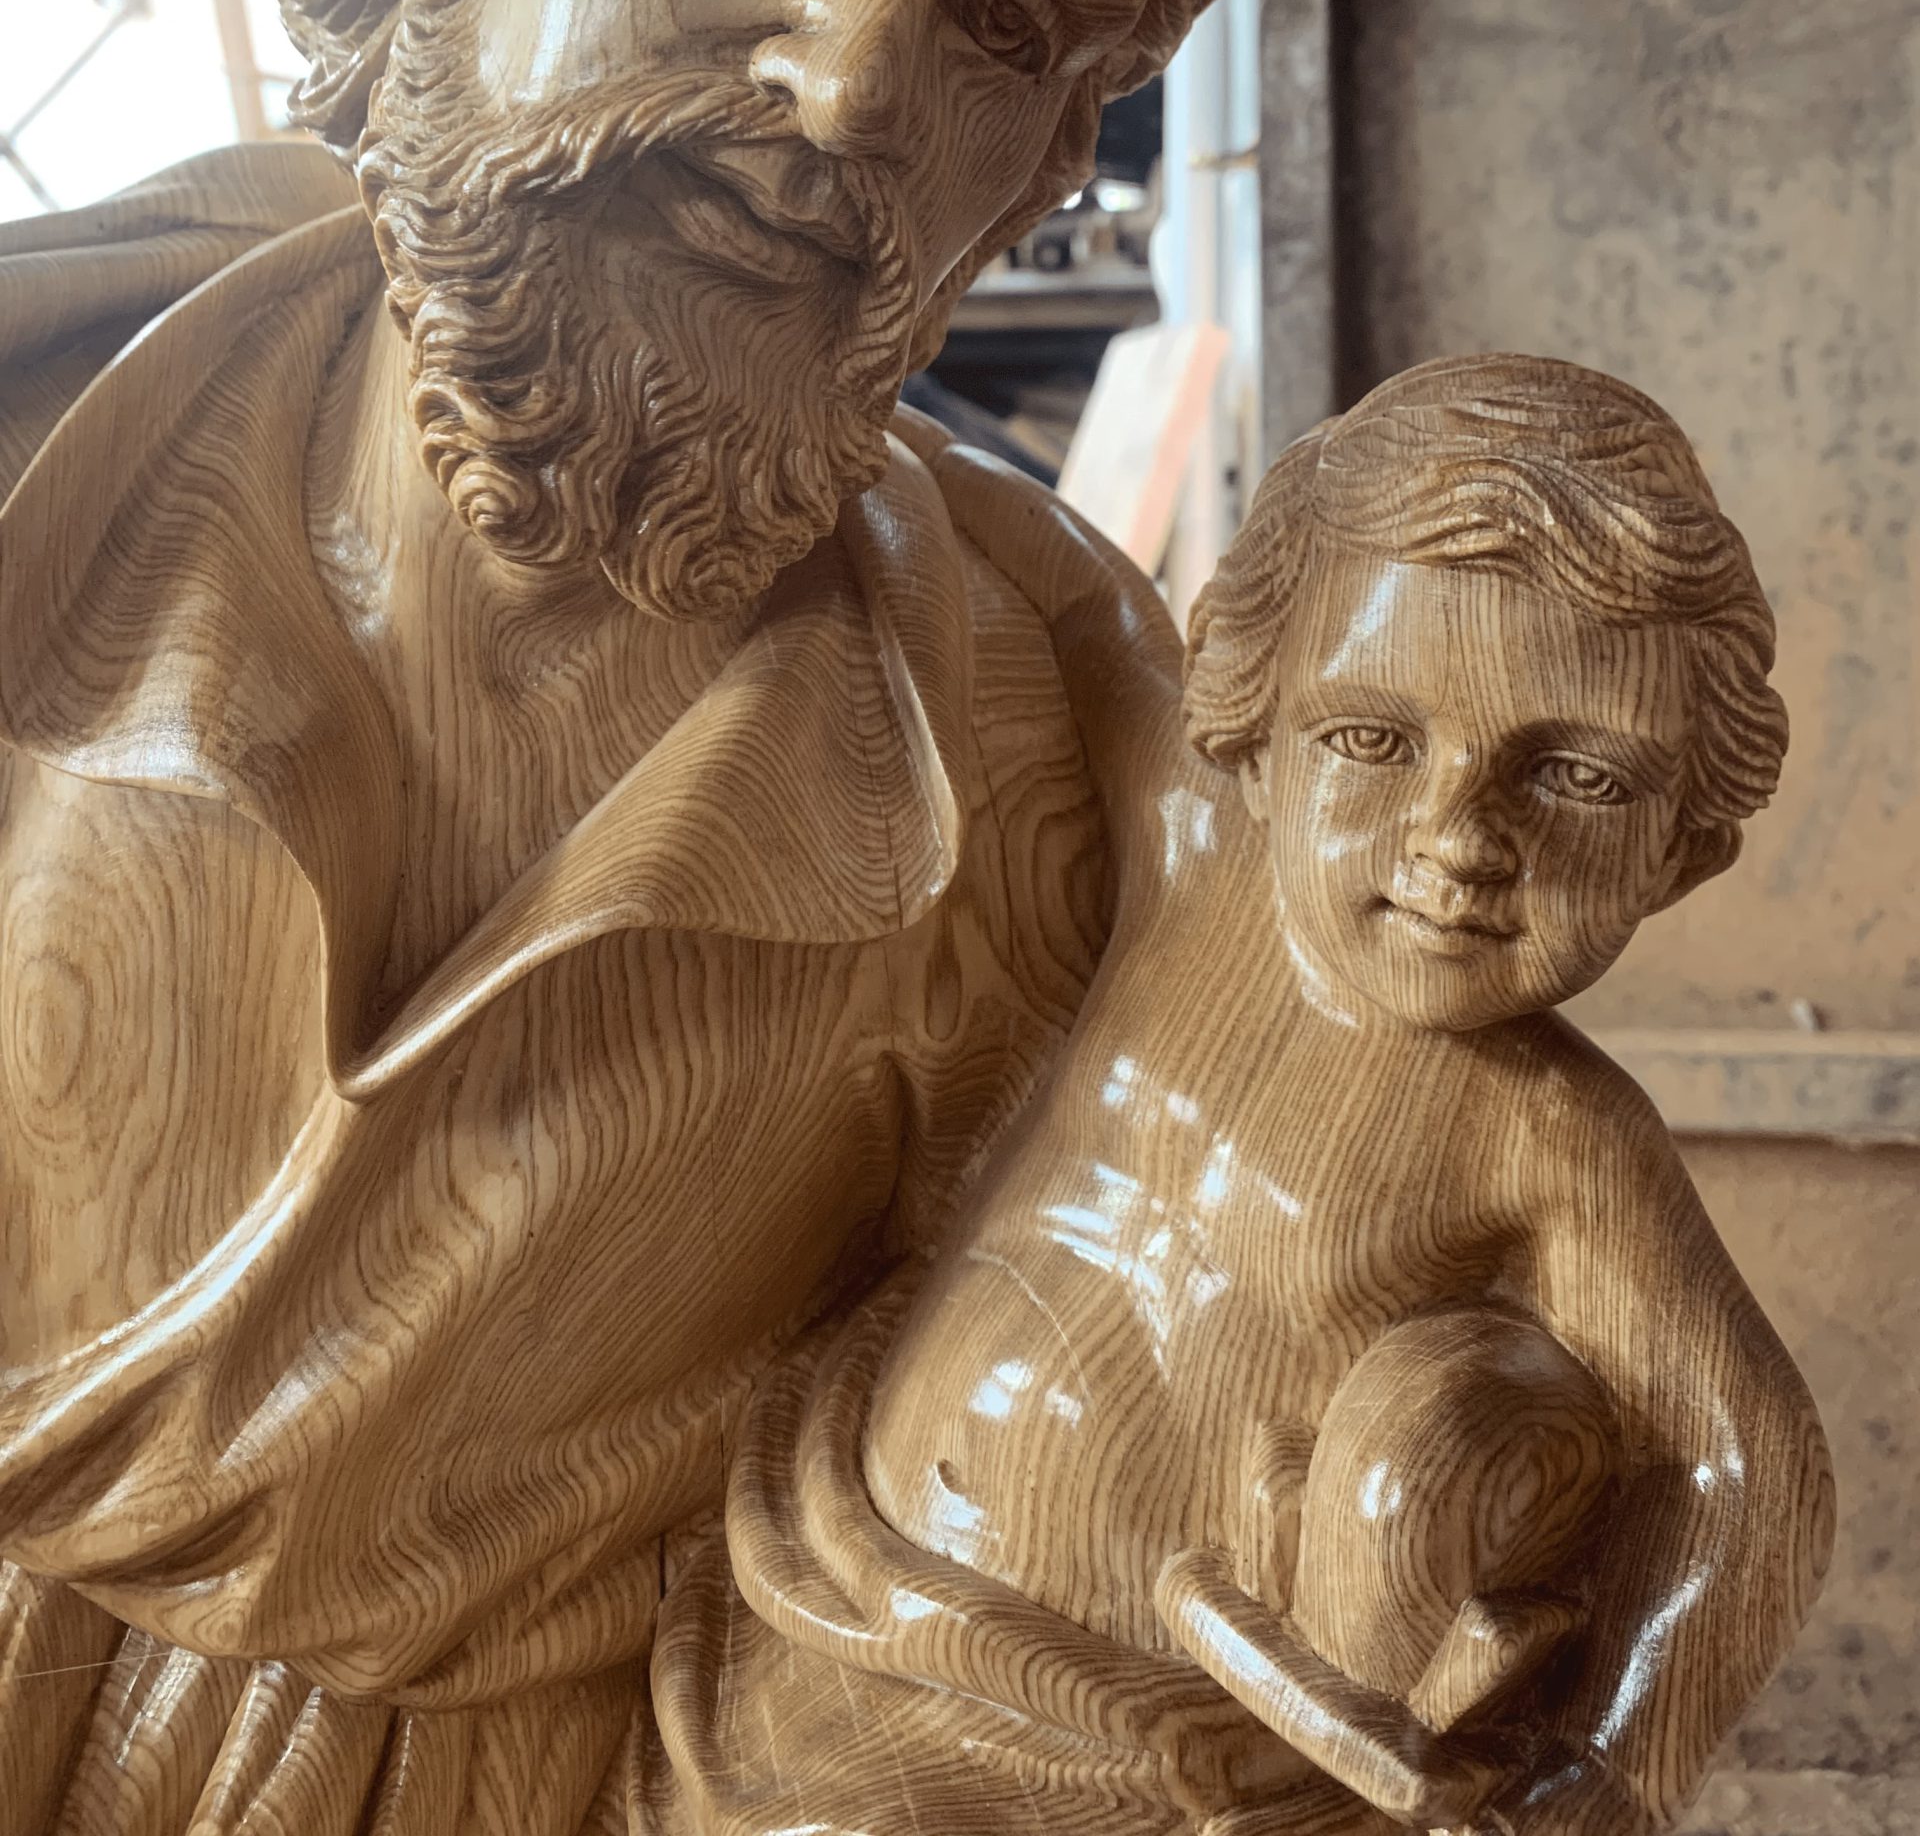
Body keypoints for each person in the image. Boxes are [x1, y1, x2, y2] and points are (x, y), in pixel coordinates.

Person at [0, 0, 1262, 1827]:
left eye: (1006, 21)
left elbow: (1168, 1454)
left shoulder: (1076, 782)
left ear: (1041, 175)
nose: (855, 76)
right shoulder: (45, 470)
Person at [670, 357, 1831, 1835]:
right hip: (841, 1610)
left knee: (1477, 1399)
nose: (1458, 836)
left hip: (1189, 1766)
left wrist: (1611, 1768)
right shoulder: (1189, 838)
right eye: (1372, 740)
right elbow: (1056, 576)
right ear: (1254, 727)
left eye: (1579, 778)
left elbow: (1748, 1468)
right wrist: (813, 407)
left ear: (1686, 848)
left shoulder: (1554, 1138)